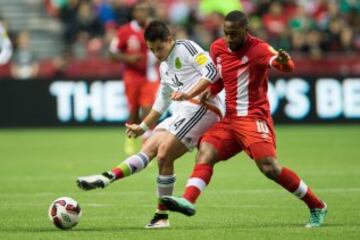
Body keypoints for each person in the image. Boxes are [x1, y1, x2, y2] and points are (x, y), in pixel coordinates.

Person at [161, 10, 327, 228]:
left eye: (235, 34)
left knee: (270, 168)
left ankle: (317, 205)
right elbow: (221, 78)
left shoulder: (258, 49)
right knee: (206, 151)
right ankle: (188, 200)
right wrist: (211, 90)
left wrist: (284, 62)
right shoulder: (218, 48)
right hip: (230, 120)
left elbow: (283, 65)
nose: (230, 38)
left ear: (246, 32)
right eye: (227, 33)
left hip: (253, 118)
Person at [77, 20, 223, 229]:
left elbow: (212, 71)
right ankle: (108, 177)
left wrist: (189, 93)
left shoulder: (186, 48)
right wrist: (143, 127)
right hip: (184, 110)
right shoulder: (164, 68)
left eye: (160, 48)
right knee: (150, 147)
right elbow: (162, 102)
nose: (157, 53)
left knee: (164, 154)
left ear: (170, 40)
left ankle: (161, 215)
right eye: (152, 50)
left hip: (205, 107)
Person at [109, 0, 159, 155]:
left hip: (150, 75)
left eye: (145, 10)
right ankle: (130, 139)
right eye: (139, 10)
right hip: (132, 76)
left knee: (147, 108)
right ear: (134, 13)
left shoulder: (155, 29)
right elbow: (112, 53)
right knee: (134, 110)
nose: (142, 13)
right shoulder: (125, 31)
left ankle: (147, 144)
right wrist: (128, 59)